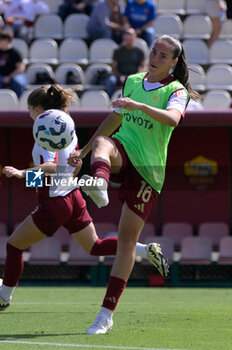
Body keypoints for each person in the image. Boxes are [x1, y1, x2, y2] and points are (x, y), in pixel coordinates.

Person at [68, 34, 200, 334]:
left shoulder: (177, 90)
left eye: (163, 56)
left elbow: (172, 119)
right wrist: (84, 152)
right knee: (104, 141)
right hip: (123, 151)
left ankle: (106, 314)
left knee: (126, 239)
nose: (155, 58)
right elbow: (113, 120)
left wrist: (139, 107)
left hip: (149, 169)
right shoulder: (132, 81)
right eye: (154, 51)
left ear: (174, 62)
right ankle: (99, 183)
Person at [0, 83, 168, 311]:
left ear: (39, 110)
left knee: (13, 246)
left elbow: (51, 166)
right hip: (73, 197)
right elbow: (71, 168)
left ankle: (4, 297)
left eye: (30, 110)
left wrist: (22, 173)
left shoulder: (46, 130)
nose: (30, 115)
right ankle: (143, 250)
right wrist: (34, 182)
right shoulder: (68, 126)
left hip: (55, 202)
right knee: (95, 246)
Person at [106, 27, 147, 97]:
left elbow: (144, 67)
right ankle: (111, 100)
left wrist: (134, 76)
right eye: (126, 35)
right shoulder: (118, 51)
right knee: (110, 81)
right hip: (120, 77)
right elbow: (114, 68)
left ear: (135, 36)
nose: (128, 38)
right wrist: (120, 76)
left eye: (130, 35)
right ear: (123, 37)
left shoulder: (139, 51)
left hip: (134, 77)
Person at [0, 29, 27, 97]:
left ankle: (20, 102)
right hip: (1, 76)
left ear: (6, 40)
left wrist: (9, 77)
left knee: (18, 83)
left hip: (14, 75)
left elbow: (21, 68)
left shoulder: (15, 53)